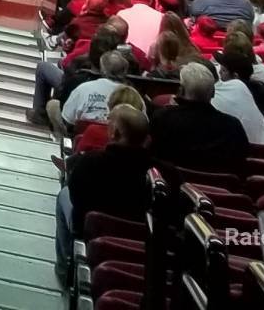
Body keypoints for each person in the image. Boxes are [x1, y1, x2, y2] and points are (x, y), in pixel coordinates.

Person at [55, 101, 153, 288]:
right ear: (146, 139)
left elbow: (77, 199)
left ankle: (64, 270)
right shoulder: (162, 174)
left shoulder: (89, 163)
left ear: (113, 133)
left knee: (63, 196)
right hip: (142, 244)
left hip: (91, 236)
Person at [149, 62, 250, 177]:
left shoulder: (161, 118)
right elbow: (241, 162)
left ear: (180, 91)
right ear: (213, 93)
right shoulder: (232, 125)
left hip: (173, 188)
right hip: (220, 190)